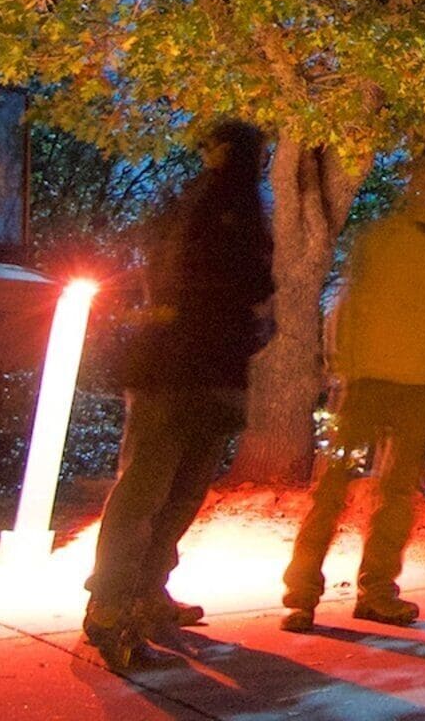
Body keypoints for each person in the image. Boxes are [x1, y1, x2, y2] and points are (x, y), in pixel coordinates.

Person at [87, 120, 275, 672]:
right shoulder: (214, 210)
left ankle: (137, 592)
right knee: (154, 491)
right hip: (186, 370)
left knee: (171, 491)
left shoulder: (202, 206)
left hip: (196, 370)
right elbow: (245, 285)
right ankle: (113, 603)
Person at [283, 153, 425, 635]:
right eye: (424, 176)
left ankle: (376, 588)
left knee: (394, 492)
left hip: (419, 385)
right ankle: (303, 589)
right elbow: (349, 302)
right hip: (367, 380)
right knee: (334, 484)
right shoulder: (380, 238)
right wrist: (342, 367)